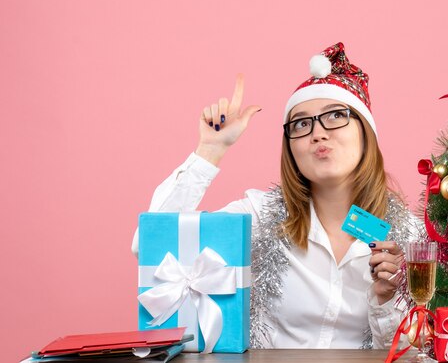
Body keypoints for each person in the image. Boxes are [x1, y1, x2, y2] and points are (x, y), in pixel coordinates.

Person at [132, 42, 425, 349]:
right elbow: (149, 244)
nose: (318, 133)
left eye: (335, 115)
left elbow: (412, 353)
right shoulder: (258, 216)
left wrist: (386, 298)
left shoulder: (409, 236)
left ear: (365, 131)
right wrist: (209, 151)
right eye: (301, 123)